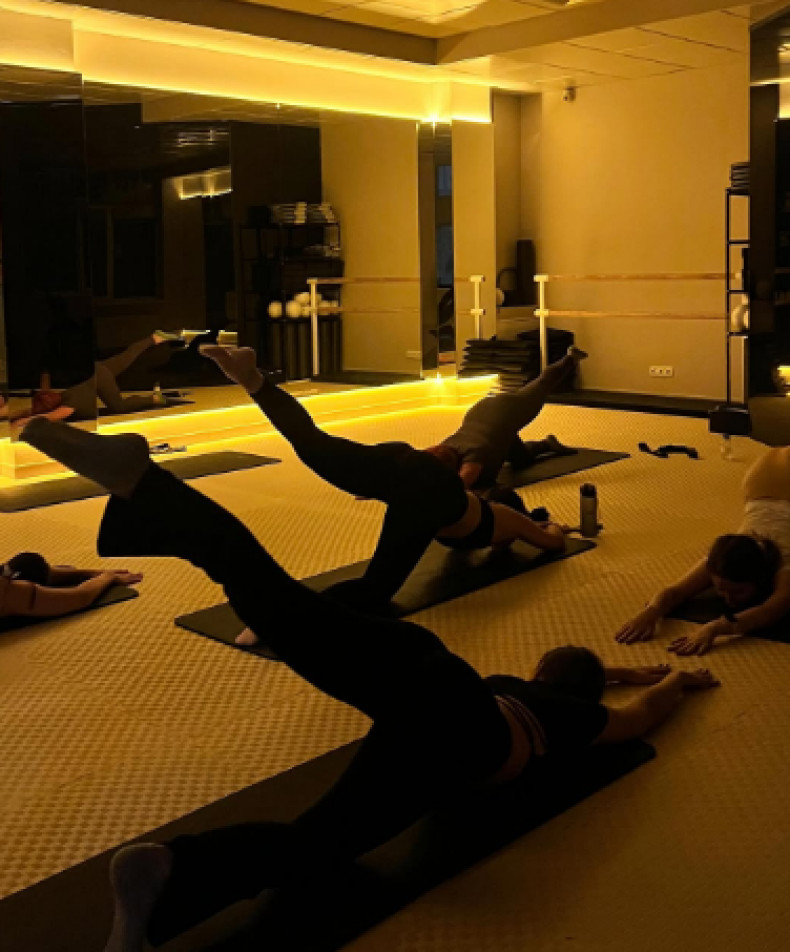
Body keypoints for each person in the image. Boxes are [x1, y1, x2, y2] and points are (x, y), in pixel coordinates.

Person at [16, 417, 719, 952]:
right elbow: (640, 718)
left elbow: (591, 682)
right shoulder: (573, 722)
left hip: (426, 689)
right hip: (451, 737)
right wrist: (678, 686)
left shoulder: (520, 685)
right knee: (321, 838)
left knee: (285, 613)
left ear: (543, 674)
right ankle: (174, 868)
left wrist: (627, 670)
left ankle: (167, 869)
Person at [199, 345, 572, 621]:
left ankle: (252, 380)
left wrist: (376, 484)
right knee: (375, 589)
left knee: (314, 444)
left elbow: (431, 480)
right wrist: (550, 525)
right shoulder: (505, 518)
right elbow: (552, 543)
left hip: (403, 463)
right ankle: (279, 619)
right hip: (422, 492)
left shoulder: (477, 502)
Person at [615, 445, 790, 655]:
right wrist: (651, 612)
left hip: (770, 485)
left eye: (738, 591)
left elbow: (770, 611)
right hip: (764, 479)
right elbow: (676, 591)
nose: (728, 599)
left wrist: (715, 628)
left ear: (760, 578)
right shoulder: (721, 559)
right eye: (721, 589)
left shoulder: (784, 565)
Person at [425, 346, 588, 491]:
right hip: (482, 417)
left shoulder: (474, 457)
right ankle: (547, 444)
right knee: (521, 460)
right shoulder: (444, 446)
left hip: (502, 412)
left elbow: (460, 488)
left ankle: (570, 358)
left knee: (541, 385)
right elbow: (419, 458)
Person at [11, 331, 182, 426]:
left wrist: (23, 421)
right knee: (127, 356)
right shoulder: (65, 398)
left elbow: (48, 417)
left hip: (100, 376)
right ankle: (154, 338)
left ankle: (154, 398)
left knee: (119, 407)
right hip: (97, 370)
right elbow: (39, 411)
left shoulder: (68, 406)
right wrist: (18, 416)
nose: (49, 394)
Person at [0, 549, 142, 621]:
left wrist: (91, 573)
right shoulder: (13, 594)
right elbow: (81, 597)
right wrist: (107, 576)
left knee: (28, 563)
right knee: (29, 567)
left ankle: (56, 575)